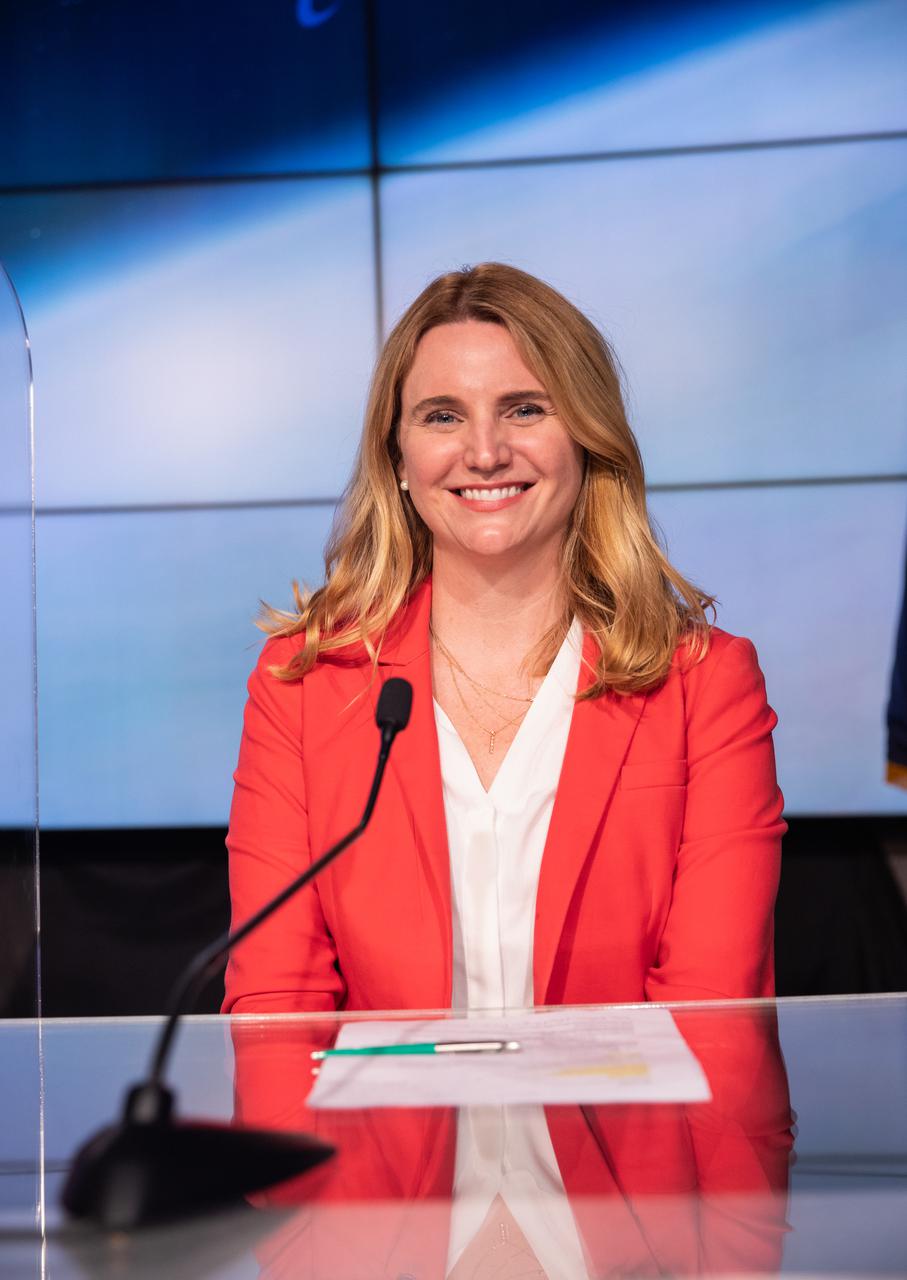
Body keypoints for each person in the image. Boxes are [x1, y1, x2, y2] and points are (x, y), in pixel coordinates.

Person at [223, 262, 785, 1017]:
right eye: (442, 416)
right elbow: (276, 1005)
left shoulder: (704, 685)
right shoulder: (302, 683)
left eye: (523, 409)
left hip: (623, 1136)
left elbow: (715, 1013)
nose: (484, 452)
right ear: (396, 459)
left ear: (588, 436)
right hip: (380, 1135)